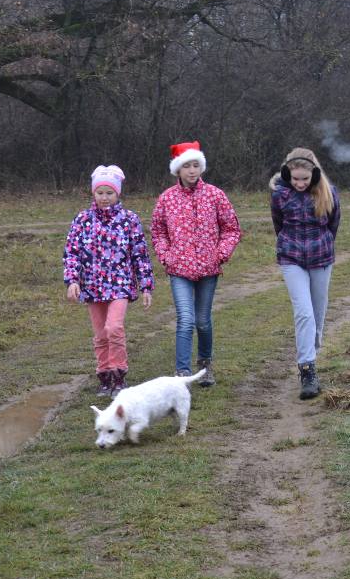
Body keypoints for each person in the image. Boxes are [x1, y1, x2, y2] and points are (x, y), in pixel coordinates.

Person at [152, 141, 242, 385]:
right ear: (177, 170)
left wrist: (220, 254)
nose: (192, 171)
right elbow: (158, 232)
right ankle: (182, 374)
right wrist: (166, 256)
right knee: (185, 319)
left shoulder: (215, 195)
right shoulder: (166, 199)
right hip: (179, 269)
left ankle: (204, 366)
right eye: (186, 166)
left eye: (195, 165)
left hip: (208, 268)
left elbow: (232, 228)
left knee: (202, 320)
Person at [63, 165, 153, 397]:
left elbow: (140, 254)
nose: (104, 198)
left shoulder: (129, 220)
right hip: (92, 286)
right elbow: (72, 252)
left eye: (109, 193)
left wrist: (146, 285)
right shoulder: (82, 220)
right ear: (93, 193)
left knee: (114, 328)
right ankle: (104, 377)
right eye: (100, 192)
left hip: (120, 285)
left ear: (118, 193)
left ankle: (118, 375)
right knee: (100, 334)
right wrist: (72, 280)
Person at [271, 148, 340, 400]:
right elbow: (278, 224)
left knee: (317, 316)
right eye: (295, 178)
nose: (299, 183)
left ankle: (312, 348)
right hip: (291, 259)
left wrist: (320, 245)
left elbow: (334, 225)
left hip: (321, 259)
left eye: (305, 179)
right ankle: (307, 369)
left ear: (314, 174)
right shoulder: (280, 195)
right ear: (288, 173)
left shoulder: (328, 193)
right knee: (304, 312)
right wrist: (292, 246)